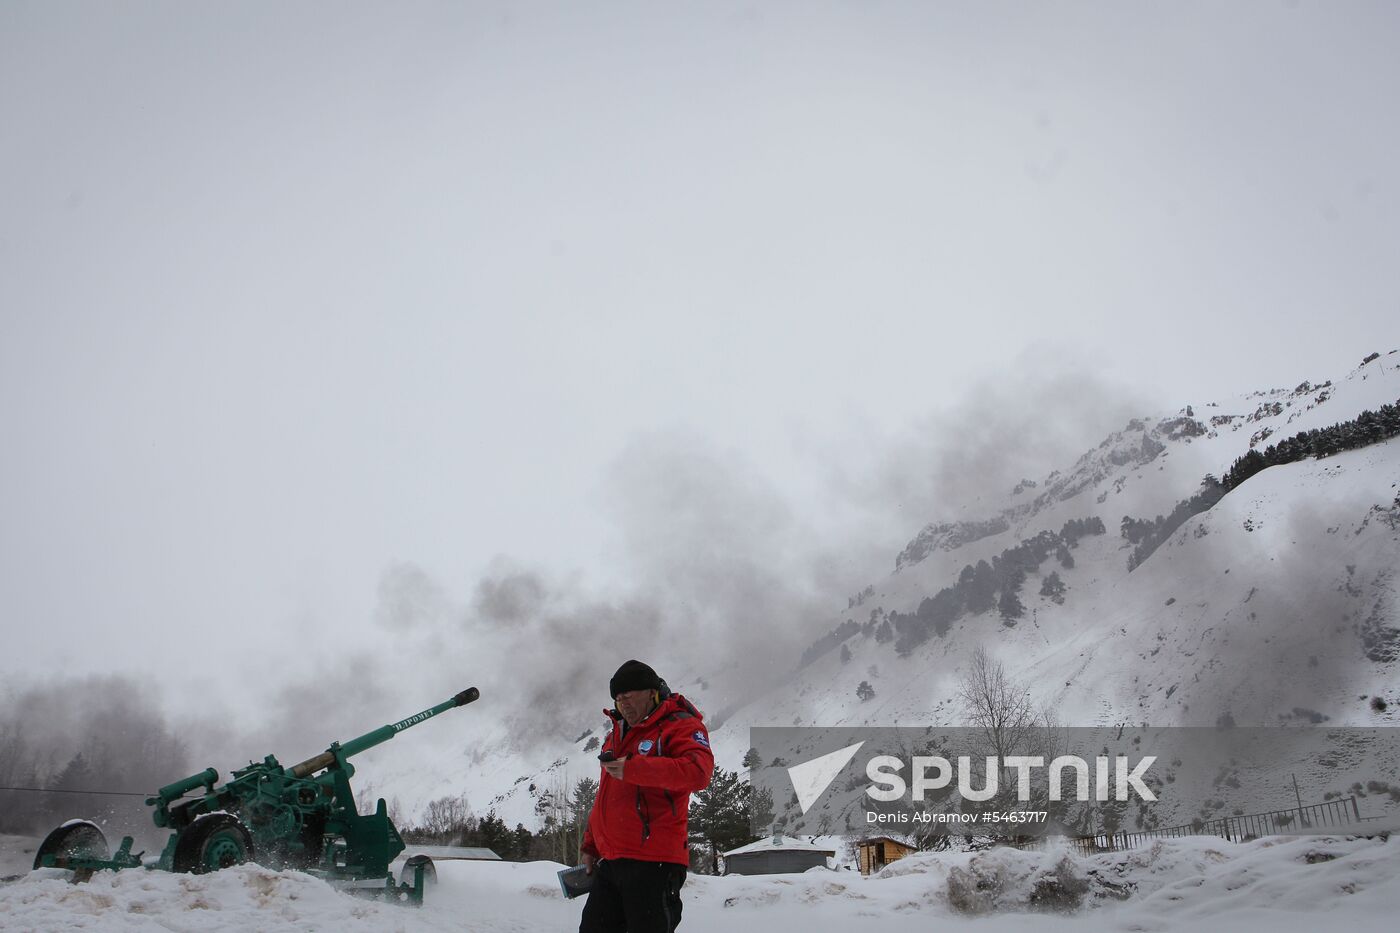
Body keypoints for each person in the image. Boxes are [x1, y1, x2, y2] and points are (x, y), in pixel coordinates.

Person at [579, 659, 713, 933]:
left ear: (651, 693)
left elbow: (698, 772)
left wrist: (635, 768)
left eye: (629, 696)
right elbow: (606, 795)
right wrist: (591, 845)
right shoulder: (615, 735)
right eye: (618, 699)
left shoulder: (681, 725)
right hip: (611, 861)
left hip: (654, 862)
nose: (623, 704)